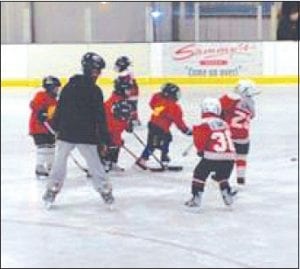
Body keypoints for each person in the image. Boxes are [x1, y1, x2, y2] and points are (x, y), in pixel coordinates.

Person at [42, 52, 114, 208]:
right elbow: (100, 117)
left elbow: (60, 109)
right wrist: (105, 139)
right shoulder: (94, 91)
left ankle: (52, 189)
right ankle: (105, 191)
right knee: (93, 165)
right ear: (91, 71)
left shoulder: (69, 87)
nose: (98, 74)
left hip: (69, 133)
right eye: (97, 71)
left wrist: (55, 125)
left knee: (61, 163)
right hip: (83, 135)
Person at [185, 98, 237, 210]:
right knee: (222, 177)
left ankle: (196, 198)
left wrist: (200, 151)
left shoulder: (202, 123)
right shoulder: (225, 123)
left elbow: (199, 141)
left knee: (199, 174)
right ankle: (226, 193)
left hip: (212, 156)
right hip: (230, 157)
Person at [136, 83, 192, 169]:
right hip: (160, 128)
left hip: (152, 124)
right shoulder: (174, 107)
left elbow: (152, 104)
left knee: (166, 138)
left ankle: (163, 157)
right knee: (153, 144)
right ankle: (143, 159)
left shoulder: (157, 98)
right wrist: (186, 131)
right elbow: (179, 122)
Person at [219, 79, 260, 185]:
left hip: (230, 136)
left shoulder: (227, 99)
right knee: (242, 156)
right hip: (243, 136)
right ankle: (241, 177)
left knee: (226, 158)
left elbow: (218, 109)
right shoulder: (250, 103)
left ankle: (221, 176)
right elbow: (252, 115)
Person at [29, 76, 61, 179]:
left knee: (51, 148)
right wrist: (41, 112)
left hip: (49, 129)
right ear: (50, 88)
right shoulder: (41, 95)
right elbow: (34, 105)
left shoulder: (55, 101)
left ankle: (50, 166)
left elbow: (53, 116)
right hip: (38, 128)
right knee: (43, 148)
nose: (57, 90)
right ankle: (40, 167)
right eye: (56, 87)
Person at [103, 78, 134, 172]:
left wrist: (128, 124)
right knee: (111, 144)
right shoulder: (113, 102)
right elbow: (113, 119)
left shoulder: (121, 100)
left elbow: (123, 117)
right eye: (128, 90)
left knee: (118, 143)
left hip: (116, 130)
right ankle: (105, 162)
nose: (130, 92)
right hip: (109, 130)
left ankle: (112, 162)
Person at [114, 56, 141, 126]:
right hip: (133, 91)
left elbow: (125, 85)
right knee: (132, 105)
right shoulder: (128, 72)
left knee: (130, 105)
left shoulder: (125, 74)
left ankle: (132, 119)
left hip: (131, 92)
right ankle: (134, 119)